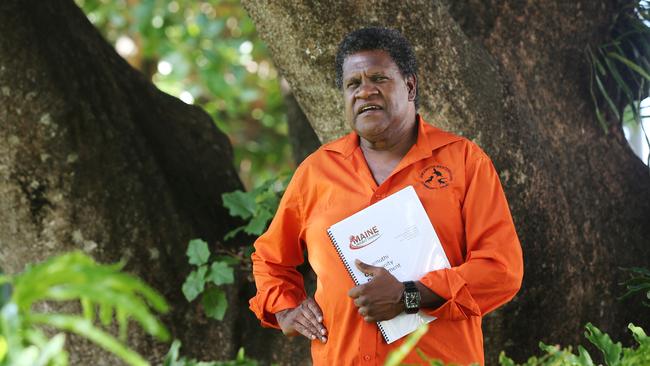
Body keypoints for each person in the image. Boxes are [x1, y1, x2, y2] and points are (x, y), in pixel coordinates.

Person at [249, 27, 523, 365]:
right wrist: (285, 308)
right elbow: (270, 259)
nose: (365, 92)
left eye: (378, 78)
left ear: (409, 86)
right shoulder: (317, 172)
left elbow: (501, 270)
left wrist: (409, 295)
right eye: (353, 84)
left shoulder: (464, 162)